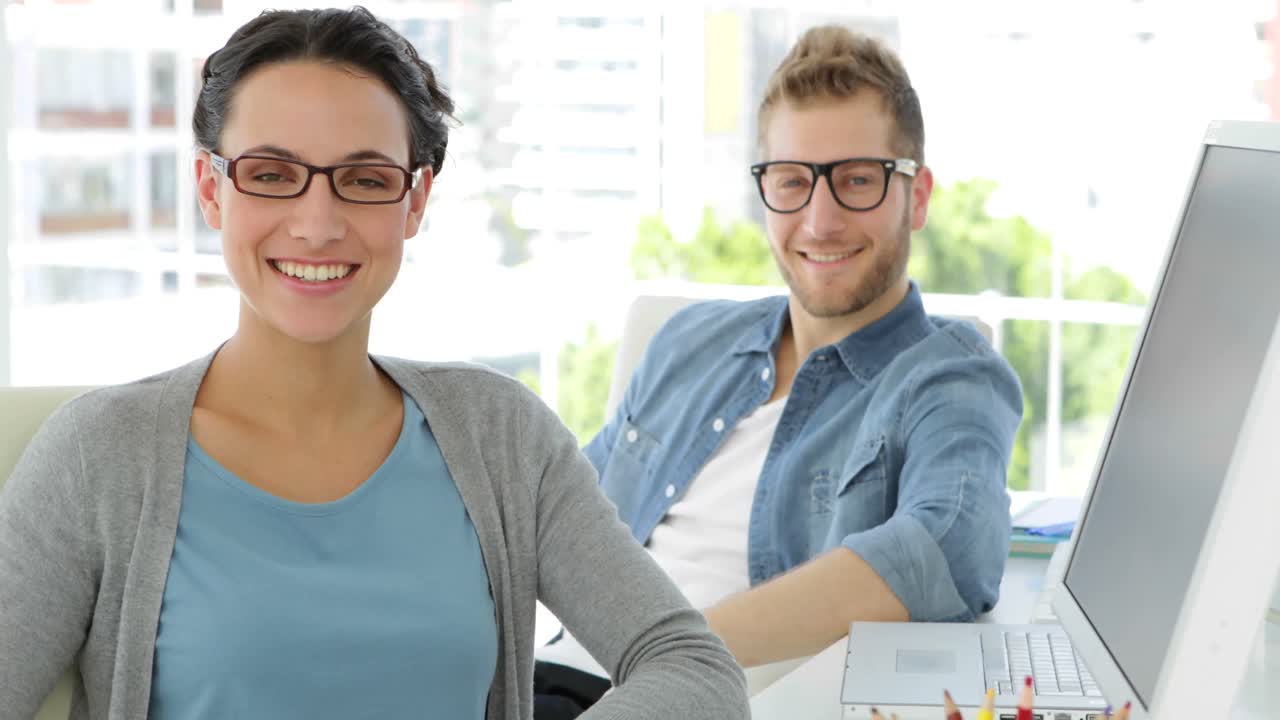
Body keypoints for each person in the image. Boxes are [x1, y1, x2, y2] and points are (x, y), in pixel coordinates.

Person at [0, 8, 747, 720]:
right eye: (270, 173)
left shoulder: (503, 439)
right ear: (212, 191)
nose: (318, 224)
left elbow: (692, 665)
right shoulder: (96, 457)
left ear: (414, 201)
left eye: (363, 180)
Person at [534, 24, 1023, 718]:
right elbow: (556, 516)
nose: (820, 221)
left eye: (857, 180)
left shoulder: (948, 379)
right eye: (792, 181)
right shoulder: (688, 342)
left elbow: (944, 550)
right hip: (542, 678)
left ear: (916, 197)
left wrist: (669, 654)